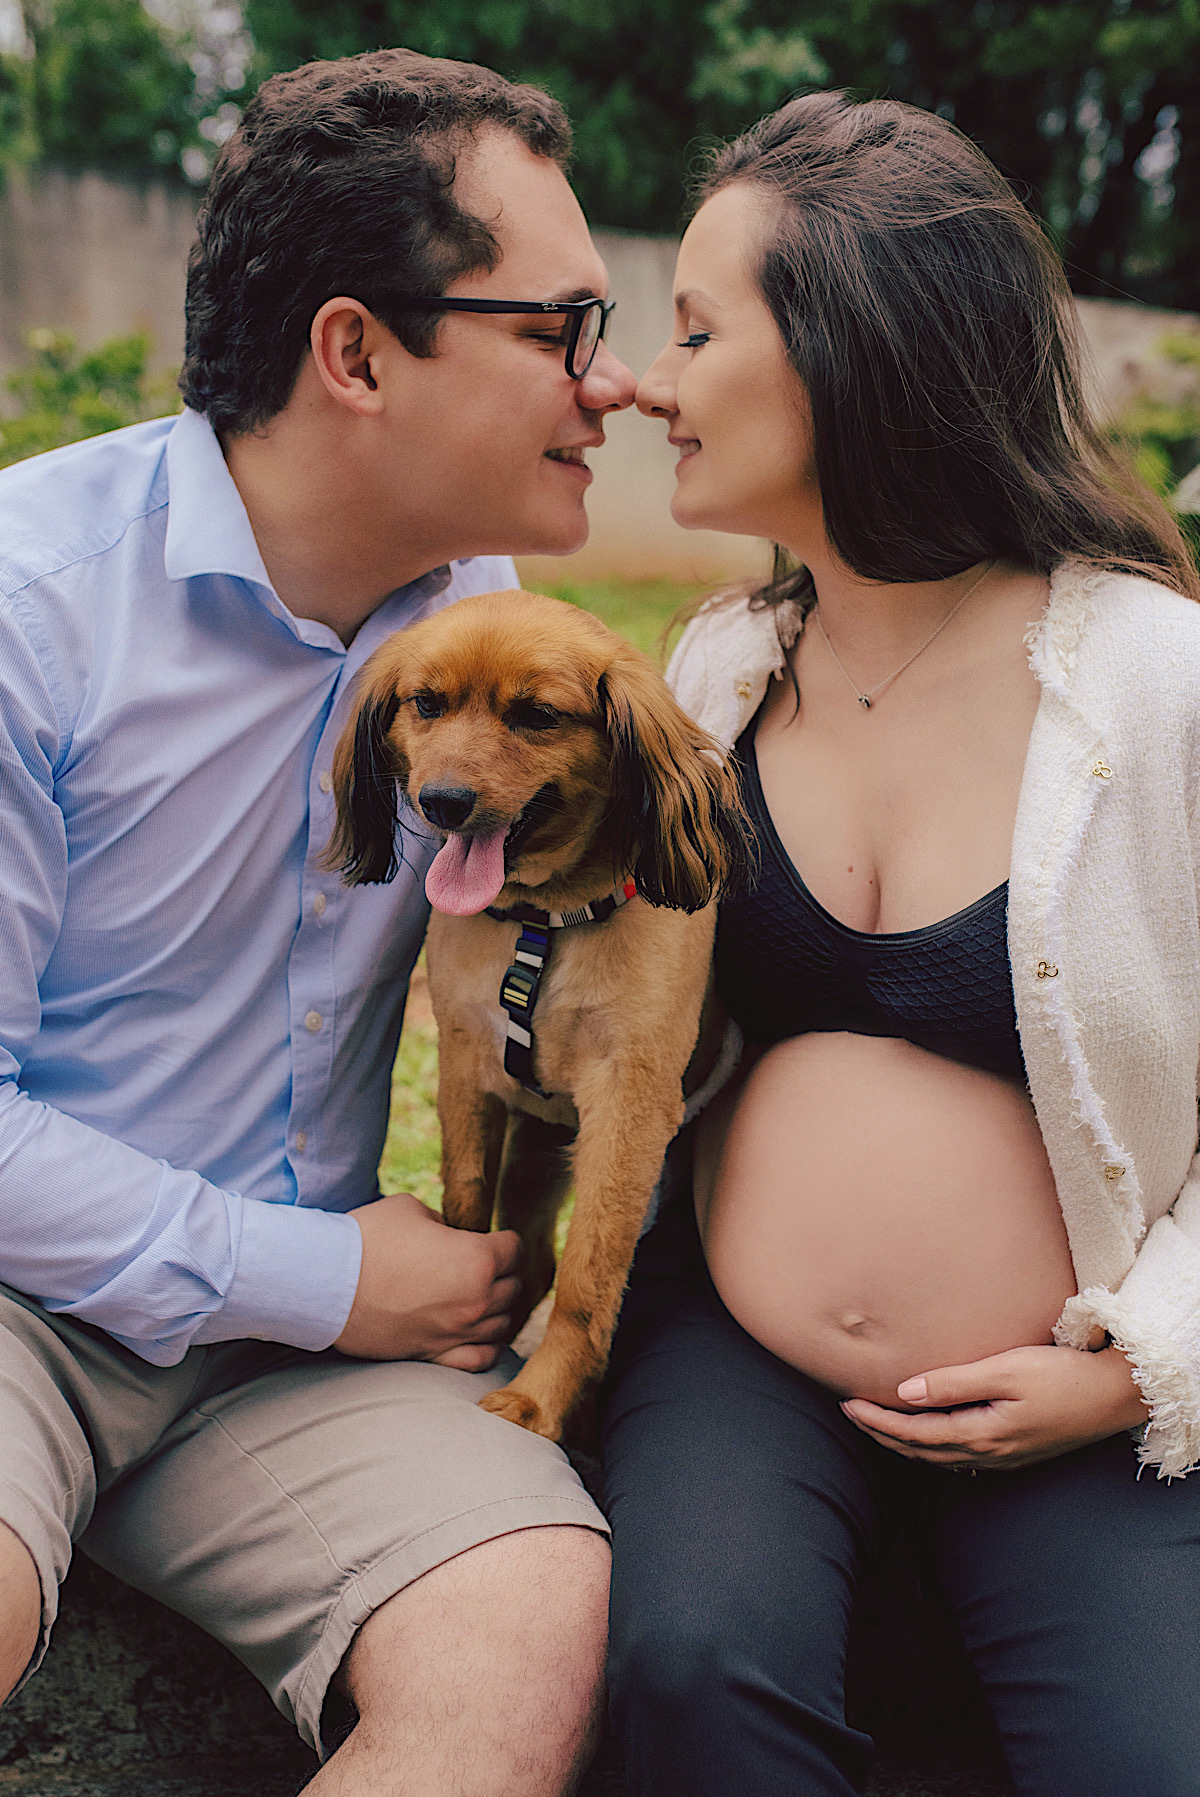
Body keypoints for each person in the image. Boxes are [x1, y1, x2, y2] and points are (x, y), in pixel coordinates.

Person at [0, 48, 635, 1795]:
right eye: (561, 330)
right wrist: (334, 1271)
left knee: (526, 1616)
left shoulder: (485, 624)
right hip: (25, 1309)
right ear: (355, 352)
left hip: (293, 1369)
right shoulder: (28, 614)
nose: (621, 383)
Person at [602, 90, 1200, 1796]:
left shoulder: (1156, 688)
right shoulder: (718, 671)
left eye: (698, 328)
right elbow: (632, 1022)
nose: (649, 377)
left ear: (851, 361)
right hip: (743, 1356)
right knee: (689, 1667)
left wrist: (1144, 1368)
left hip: (1084, 1397)